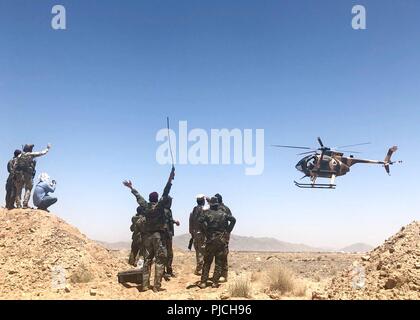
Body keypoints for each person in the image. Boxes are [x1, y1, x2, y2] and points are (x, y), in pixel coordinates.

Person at [123, 167, 175, 293]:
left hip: (147, 238)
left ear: (150, 199)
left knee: (147, 261)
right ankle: (156, 286)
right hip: (158, 237)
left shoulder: (145, 207)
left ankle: (145, 285)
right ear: (156, 199)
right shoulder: (159, 206)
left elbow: (138, 197)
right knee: (160, 260)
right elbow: (166, 192)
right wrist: (170, 179)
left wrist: (131, 187)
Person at [198, 197, 236, 289]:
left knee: (207, 262)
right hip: (221, 240)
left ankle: (203, 282)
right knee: (218, 262)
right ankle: (215, 282)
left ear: (211, 204)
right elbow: (233, 220)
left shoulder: (207, 213)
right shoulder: (223, 214)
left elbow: (199, 220)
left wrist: (205, 230)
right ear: (218, 204)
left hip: (210, 240)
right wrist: (227, 231)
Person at [14, 143, 51, 209]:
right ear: (29, 149)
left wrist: (15, 174)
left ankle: (18, 205)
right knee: (28, 188)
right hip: (27, 174)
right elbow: (41, 153)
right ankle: (25, 204)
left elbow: (15, 165)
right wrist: (47, 149)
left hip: (19, 174)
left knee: (18, 189)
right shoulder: (30, 155)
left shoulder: (19, 156)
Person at [123, 182, 149, 267]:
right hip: (142, 238)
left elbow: (131, 228)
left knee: (133, 252)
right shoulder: (143, 218)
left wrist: (131, 188)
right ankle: (139, 268)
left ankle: (130, 266)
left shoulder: (134, 218)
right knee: (142, 253)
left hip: (135, 238)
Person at [214, 193, 232, 282]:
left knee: (223, 254)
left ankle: (224, 275)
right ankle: (218, 274)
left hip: (223, 234)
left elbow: (232, 219)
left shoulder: (224, 209)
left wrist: (228, 231)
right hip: (216, 235)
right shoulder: (215, 208)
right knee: (217, 254)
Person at [189, 194, 207, 275]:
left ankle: (199, 268)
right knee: (202, 251)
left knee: (198, 251)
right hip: (202, 233)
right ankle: (200, 269)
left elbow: (190, 223)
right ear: (203, 201)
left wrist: (192, 234)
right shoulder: (204, 210)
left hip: (195, 234)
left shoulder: (193, 211)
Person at [163, 196, 180, 278]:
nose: (171, 203)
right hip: (166, 234)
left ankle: (166, 271)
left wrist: (174, 221)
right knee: (168, 253)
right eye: (170, 201)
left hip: (166, 234)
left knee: (167, 253)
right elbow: (165, 222)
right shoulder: (165, 210)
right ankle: (167, 271)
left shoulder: (166, 210)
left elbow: (169, 220)